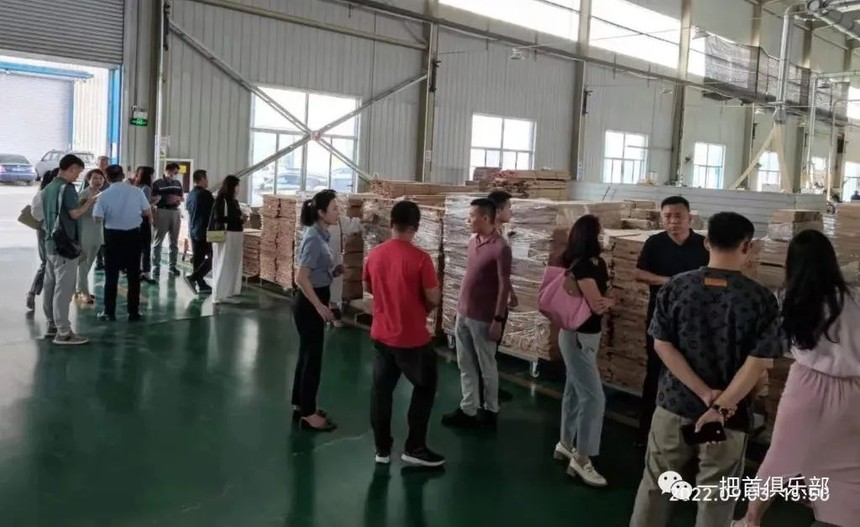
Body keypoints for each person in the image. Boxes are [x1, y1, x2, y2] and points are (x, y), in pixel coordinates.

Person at [629, 212, 782, 527]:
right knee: (716, 497)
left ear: (707, 242)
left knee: (657, 486)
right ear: (747, 246)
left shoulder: (677, 287)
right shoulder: (760, 299)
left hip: (674, 407)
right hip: (728, 417)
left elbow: (662, 345)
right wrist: (720, 406)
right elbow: (759, 361)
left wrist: (702, 392)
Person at [733, 231, 860, 527]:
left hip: (806, 385)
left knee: (781, 455)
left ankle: (751, 519)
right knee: (848, 461)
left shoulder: (790, 299)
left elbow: (779, 346)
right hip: (853, 389)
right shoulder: (855, 299)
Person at [364, 200, 446, 468]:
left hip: (381, 335)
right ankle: (415, 447)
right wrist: (419, 307)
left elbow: (369, 286)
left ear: (391, 223)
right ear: (416, 227)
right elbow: (433, 297)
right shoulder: (421, 259)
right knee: (425, 387)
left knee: (381, 392)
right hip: (412, 339)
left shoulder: (375, 254)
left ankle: (382, 449)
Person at [633, 196, 709, 445]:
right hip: (661, 320)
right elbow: (638, 273)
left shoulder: (703, 246)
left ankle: (692, 434)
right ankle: (646, 432)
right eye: (667, 216)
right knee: (655, 372)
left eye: (678, 216)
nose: (673, 221)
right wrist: (670, 281)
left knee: (692, 373)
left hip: (694, 323)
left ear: (690, 217)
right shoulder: (655, 243)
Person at [553, 214, 614, 487]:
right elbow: (598, 305)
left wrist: (607, 300)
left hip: (588, 336)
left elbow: (605, 296)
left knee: (575, 390)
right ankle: (582, 457)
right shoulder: (581, 266)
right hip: (577, 337)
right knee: (594, 397)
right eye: (599, 232)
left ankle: (566, 443)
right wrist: (609, 301)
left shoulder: (597, 263)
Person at [442, 198, 512, 429]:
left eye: (472, 216)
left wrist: (498, 319)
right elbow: (469, 276)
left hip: (484, 317)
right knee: (466, 364)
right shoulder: (473, 241)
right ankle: (468, 408)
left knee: (486, 366)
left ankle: (491, 410)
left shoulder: (501, 248)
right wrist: (458, 307)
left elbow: (503, 285)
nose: (468, 219)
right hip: (464, 313)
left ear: (485, 217)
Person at [292, 190, 340, 432]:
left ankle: (300, 404)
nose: (338, 212)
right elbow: (301, 277)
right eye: (334, 208)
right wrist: (320, 306)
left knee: (306, 355)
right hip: (310, 303)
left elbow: (316, 270)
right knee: (313, 359)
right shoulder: (313, 238)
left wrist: (334, 272)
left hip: (315, 298)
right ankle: (309, 414)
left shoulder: (321, 234)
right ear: (321, 213)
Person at [41, 154, 98, 345]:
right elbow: (74, 214)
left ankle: (52, 324)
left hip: (50, 243)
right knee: (63, 290)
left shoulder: (49, 187)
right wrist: (89, 202)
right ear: (71, 168)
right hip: (65, 246)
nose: (77, 176)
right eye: (77, 172)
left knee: (50, 286)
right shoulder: (67, 188)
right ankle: (63, 332)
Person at [93, 165, 152, 322]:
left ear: (107, 178)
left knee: (111, 276)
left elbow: (97, 219)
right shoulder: (137, 192)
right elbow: (147, 212)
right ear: (123, 175)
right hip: (133, 236)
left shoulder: (103, 195)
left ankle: (109, 312)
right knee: (133, 275)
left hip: (112, 238)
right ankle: (133, 312)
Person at [486, 189, 517, 404]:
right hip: (490, 304)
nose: (511, 211)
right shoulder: (491, 239)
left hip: (499, 299)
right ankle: (486, 396)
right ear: (498, 210)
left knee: (492, 351)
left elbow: (503, 273)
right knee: (486, 351)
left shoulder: (499, 235)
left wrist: (511, 291)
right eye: (508, 207)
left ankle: (492, 387)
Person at [326, 198, 363, 327]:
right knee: (321, 289)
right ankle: (323, 313)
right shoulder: (314, 228)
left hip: (335, 262)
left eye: (337, 208)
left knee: (334, 290)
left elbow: (353, 226)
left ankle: (333, 314)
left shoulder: (340, 221)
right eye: (334, 209)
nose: (337, 211)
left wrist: (366, 220)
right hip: (321, 264)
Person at [26, 168, 58, 312]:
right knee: (47, 263)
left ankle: (37, 294)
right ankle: (34, 293)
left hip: (49, 231)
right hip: (46, 231)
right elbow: (37, 214)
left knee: (49, 264)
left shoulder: (47, 193)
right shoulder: (44, 194)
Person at [210, 175, 244, 304]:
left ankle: (229, 292)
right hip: (226, 234)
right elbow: (218, 218)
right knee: (222, 263)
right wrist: (236, 219)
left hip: (236, 234)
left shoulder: (234, 201)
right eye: (237, 186)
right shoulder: (221, 200)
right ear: (231, 187)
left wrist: (241, 219)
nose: (238, 188)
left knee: (232, 264)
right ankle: (217, 294)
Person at [75, 169, 106, 304]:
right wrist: (88, 204)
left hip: (97, 232)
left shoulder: (103, 195)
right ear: (89, 180)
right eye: (95, 178)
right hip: (85, 232)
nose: (98, 181)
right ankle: (84, 292)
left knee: (90, 262)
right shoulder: (83, 194)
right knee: (83, 263)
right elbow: (76, 213)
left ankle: (79, 288)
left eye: (100, 178)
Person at [151, 162, 184, 277]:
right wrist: (165, 199)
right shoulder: (157, 183)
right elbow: (152, 198)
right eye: (174, 172)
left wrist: (177, 199)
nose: (175, 175)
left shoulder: (177, 183)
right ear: (167, 171)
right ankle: (156, 266)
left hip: (175, 212)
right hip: (161, 212)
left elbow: (182, 197)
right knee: (158, 241)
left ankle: (172, 266)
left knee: (174, 241)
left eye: (177, 173)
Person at [184, 169, 215, 294]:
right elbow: (213, 212)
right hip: (205, 231)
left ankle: (201, 285)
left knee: (198, 259)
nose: (207, 181)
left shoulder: (191, 194)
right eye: (206, 179)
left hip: (193, 230)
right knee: (213, 258)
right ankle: (193, 278)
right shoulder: (205, 194)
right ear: (202, 179)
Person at [134, 166, 157, 284]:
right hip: (144, 220)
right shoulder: (146, 188)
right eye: (152, 174)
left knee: (137, 248)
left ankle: (137, 271)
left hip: (135, 221)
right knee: (146, 247)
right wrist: (154, 202)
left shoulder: (136, 187)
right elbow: (145, 207)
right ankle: (146, 273)